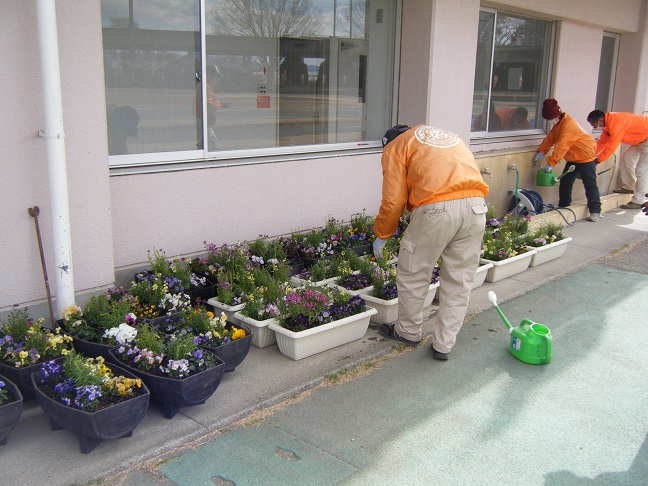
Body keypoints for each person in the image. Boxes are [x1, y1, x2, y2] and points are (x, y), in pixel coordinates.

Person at [373, 124, 489, 360]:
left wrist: (382, 234)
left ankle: (407, 331)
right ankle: (444, 345)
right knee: (459, 279)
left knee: (413, 271)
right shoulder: (447, 136)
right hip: (476, 206)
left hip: (436, 209)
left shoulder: (396, 146)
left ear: (387, 142)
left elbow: (394, 200)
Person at [533, 99, 602, 222]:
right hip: (573, 158)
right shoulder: (558, 125)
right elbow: (550, 139)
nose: (549, 121)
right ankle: (564, 206)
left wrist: (551, 163)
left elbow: (562, 145)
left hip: (586, 157)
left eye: (549, 118)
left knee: (590, 184)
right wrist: (542, 151)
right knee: (565, 181)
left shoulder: (568, 125)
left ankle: (595, 211)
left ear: (556, 115)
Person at [586, 110, 648, 209]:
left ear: (600, 120)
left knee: (641, 171)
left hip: (646, 137)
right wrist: (588, 155)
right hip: (640, 138)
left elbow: (611, 146)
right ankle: (629, 187)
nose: (594, 127)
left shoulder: (616, 123)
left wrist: (597, 161)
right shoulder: (607, 125)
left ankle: (639, 201)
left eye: (594, 124)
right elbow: (602, 142)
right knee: (626, 158)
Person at [195, 64, 222, 151]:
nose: (216, 80)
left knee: (205, 143)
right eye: (215, 77)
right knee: (215, 145)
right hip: (205, 119)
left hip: (203, 118)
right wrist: (218, 105)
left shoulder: (204, 85)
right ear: (209, 75)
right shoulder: (205, 86)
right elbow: (208, 104)